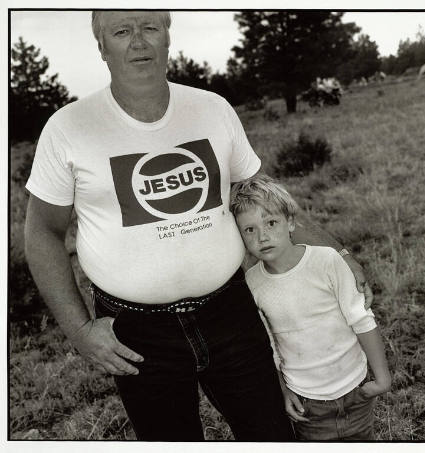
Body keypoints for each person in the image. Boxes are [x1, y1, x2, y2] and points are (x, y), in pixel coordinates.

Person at [24, 10, 372, 441]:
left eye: (150, 26)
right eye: (121, 30)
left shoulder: (212, 109)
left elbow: (262, 199)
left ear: (168, 37)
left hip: (232, 312)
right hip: (135, 333)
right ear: (101, 47)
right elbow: (42, 231)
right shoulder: (69, 128)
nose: (138, 41)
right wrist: (79, 331)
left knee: (273, 434)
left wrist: (339, 253)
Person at [230, 175, 391, 441]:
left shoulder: (326, 261)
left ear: (291, 222)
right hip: (308, 403)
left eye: (271, 223)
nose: (263, 236)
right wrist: (282, 389)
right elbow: (266, 345)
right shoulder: (253, 284)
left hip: (356, 388)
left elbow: (361, 319)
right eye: (250, 230)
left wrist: (382, 379)